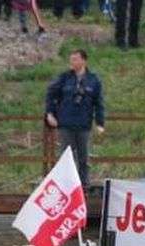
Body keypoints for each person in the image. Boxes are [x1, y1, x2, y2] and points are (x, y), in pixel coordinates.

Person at [44, 50, 106, 190]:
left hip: (83, 124)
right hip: (65, 123)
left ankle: (84, 185)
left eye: (75, 59)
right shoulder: (64, 78)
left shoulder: (93, 80)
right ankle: (65, 186)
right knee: (66, 157)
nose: (72, 62)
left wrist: (100, 123)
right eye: (71, 59)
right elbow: (51, 94)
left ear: (83, 61)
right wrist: (50, 113)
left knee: (84, 158)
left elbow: (99, 102)